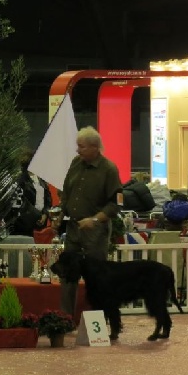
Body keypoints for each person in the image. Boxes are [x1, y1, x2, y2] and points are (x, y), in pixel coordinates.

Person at [59, 126, 122, 317]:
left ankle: (98, 319)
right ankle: (66, 317)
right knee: (67, 275)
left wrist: (94, 219)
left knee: (96, 277)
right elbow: (67, 193)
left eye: (82, 147)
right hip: (73, 228)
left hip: (95, 232)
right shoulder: (75, 163)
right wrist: (61, 216)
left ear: (95, 147)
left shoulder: (109, 169)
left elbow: (117, 203)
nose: (78, 150)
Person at [12, 148, 52, 236]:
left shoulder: (41, 179)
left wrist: (45, 214)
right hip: (25, 223)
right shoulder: (20, 179)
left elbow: (48, 199)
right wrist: (37, 216)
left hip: (41, 221)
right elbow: (21, 202)